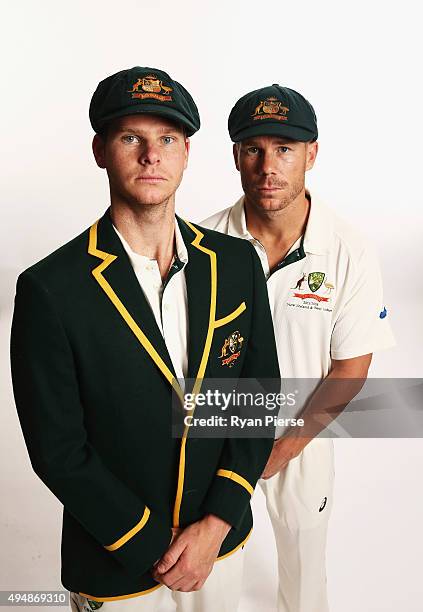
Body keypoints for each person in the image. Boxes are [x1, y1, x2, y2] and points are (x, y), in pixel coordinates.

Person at [10, 67, 280, 611]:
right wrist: (156, 549)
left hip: (223, 548)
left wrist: (218, 521)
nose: (151, 155)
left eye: (168, 139)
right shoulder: (49, 288)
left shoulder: (235, 262)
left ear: (185, 153)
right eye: (131, 137)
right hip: (121, 568)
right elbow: (58, 451)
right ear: (100, 150)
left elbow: (259, 394)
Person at [201, 84, 395, 612]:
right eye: (253, 149)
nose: (269, 166)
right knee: (208, 567)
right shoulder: (204, 242)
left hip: (301, 430)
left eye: (285, 148)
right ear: (235, 156)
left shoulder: (347, 248)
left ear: (312, 153)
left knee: (305, 573)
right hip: (216, 426)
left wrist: (282, 448)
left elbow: (352, 367)